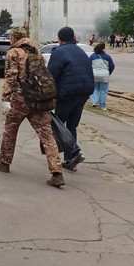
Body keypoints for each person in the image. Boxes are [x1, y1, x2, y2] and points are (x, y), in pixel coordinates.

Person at [0, 26, 64, 187]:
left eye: (11, 37)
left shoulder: (14, 52)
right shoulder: (35, 51)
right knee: (47, 135)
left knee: (10, 131)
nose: (10, 40)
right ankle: (57, 172)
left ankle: (4, 162)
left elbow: (10, 76)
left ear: (15, 38)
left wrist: (6, 98)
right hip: (38, 100)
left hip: (20, 100)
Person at [47, 26, 93, 171]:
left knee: (58, 125)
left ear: (59, 39)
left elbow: (51, 75)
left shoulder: (58, 52)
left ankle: (74, 152)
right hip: (84, 92)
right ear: (73, 38)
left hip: (67, 93)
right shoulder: (81, 51)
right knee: (72, 125)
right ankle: (69, 159)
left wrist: (49, 95)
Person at [90, 43, 115, 111]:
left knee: (95, 89)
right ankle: (102, 106)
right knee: (103, 90)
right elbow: (112, 66)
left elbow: (88, 65)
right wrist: (108, 73)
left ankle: (94, 101)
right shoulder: (107, 56)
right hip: (104, 76)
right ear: (103, 49)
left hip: (94, 75)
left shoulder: (92, 56)